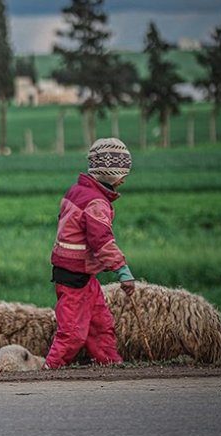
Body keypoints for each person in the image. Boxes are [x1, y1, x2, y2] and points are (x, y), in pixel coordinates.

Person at [44, 137, 136, 369]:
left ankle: (110, 364)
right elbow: (101, 241)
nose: (125, 178)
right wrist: (122, 270)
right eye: (122, 172)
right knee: (73, 333)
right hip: (73, 277)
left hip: (82, 274)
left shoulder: (78, 191)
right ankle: (50, 370)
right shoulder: (96, 203)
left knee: (100, 324)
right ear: (110, 173)